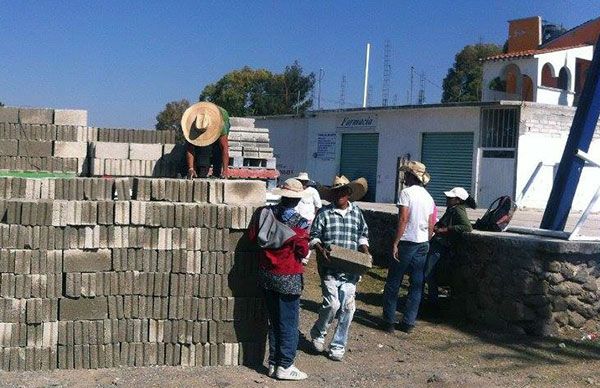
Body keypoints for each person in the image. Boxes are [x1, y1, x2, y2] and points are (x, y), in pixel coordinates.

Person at [247, 178, 310, 381]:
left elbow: (252, 237)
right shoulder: (300, 224)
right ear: (298, 199)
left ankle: (274, 363)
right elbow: (303, 250)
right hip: (288, 276)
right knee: (289, 323)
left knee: (274, 321)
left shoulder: (264, 213)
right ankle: (285, 365)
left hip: (266, 274)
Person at [309, 176, 370, 361]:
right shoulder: (325, 213)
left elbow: (363, 236)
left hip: (351, 269)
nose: (339, 196)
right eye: (336, 192)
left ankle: (337, 345)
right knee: (333, 304)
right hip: (330, 268)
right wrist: (320, 249)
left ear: (348, 194)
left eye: (342, 192)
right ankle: (319, 332)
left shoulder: (357, 213)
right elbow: (314, 236)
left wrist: (365, 252)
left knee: (348, 308)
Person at [382, 161, 435, 334]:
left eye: (406, 174)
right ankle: (409, 322)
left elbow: (403, 218)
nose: (404, 177)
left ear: (411, 176)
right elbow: (431, 223)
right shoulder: (428, 197)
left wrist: (396, 241)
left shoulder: (406, 193)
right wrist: (426, 240)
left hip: (407, 241)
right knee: (416, 284)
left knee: (394, 282)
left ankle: (389, 320)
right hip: (422, 242)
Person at [424, 187, 476, 305]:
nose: (447, 199)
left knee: (428, 271)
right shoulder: (451, 209)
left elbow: (467, 227)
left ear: (457, 200)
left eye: (450, 198)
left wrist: (447, 229)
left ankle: (433, 301)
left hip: (441, 245)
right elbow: (442, 221)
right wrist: (437, 227)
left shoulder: (458, 211)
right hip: (438, 242)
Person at [181, 101, 230, 179]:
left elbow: (224, 148)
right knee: (203, 157)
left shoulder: (221, 124)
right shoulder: (191, 125)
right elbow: (190, 149)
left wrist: (225, 171)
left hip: (220, 119)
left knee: (217, 150)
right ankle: (201, 170)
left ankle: (216, 173)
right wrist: (191, 168)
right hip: (202, 120)